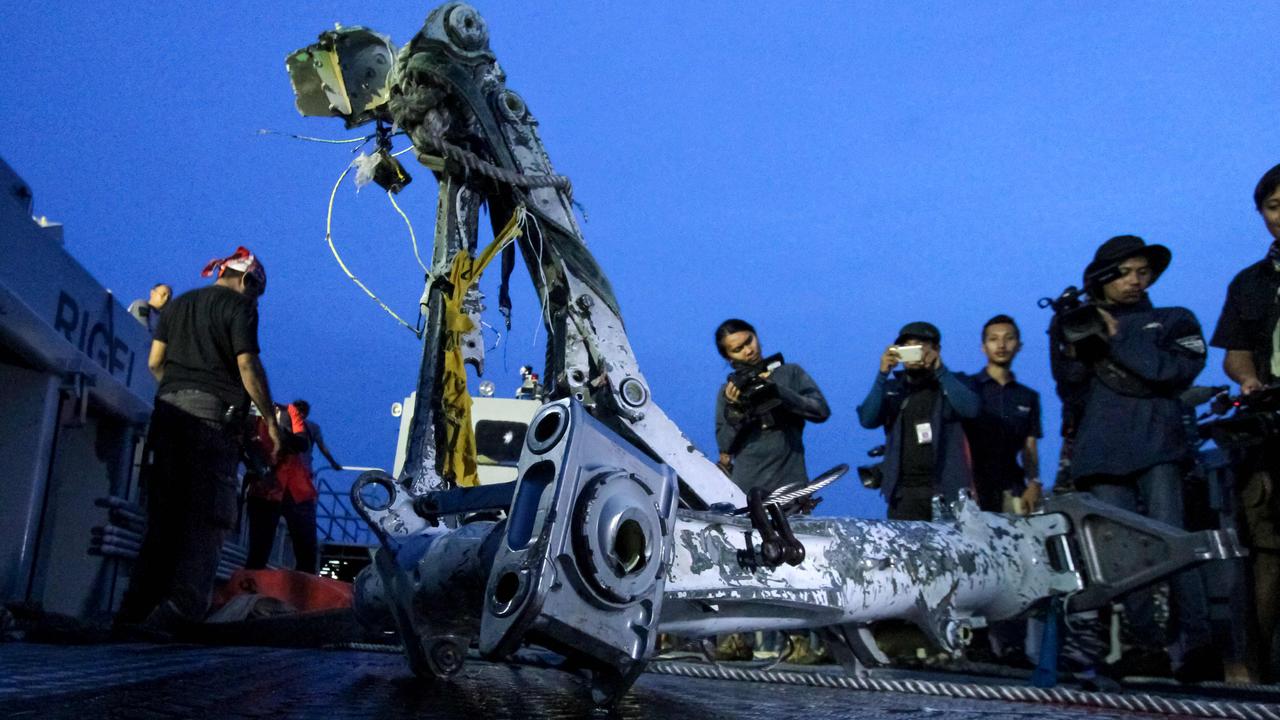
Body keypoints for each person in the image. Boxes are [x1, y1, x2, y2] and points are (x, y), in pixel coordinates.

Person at [1049, 234, 1218, 681]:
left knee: (1176, 545)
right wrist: (1070, 332)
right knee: (1125, 558)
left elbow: (1174, 371)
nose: (1134, 281)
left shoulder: (1173, 319)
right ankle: (1148, 648)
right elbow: (1070, 388)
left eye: (1143, 272)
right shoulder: (1079, 322)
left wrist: (1115, 336)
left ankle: (1198, 647)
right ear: (1101, 278)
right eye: (1123, 272)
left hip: (1160, 447)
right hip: (1102, 453)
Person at [115, 247, 279, 633]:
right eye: (256, 291)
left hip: (168, 414)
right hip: (212, 421)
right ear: (247, 280)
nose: (255, 299)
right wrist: (269, 419)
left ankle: (134, 614)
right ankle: (181, 614)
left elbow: (156, 362)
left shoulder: (180, 305)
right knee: (206, 518)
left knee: (163, 517)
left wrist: (179, 393)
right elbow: (246, 364)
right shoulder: (240, 308)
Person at [1210, 162, 1280, 681]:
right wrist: (1250, 380)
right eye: (1275, 206)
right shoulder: (1249, 282)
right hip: (1271, 429)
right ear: (1261, 215)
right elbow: (1235, 354)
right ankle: (1256, 672)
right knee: (1267, 552)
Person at [857, 321, 980, 521]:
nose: (914, 354)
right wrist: (882, 374)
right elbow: (867, 419)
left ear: (937, 349)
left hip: (948, 492)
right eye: (907, 347)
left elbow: (971, 408)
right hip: (904, 495)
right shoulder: (893, 389)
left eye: (920, 347)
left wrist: (940, 369)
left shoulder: (954, 382)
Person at [714, 319, 830, 495]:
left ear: (756, 336)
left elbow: (820, 411)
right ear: (728, 357)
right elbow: (724, 444)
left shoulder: (790, 372)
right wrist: (735, 410)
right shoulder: (729, 392)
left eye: (749, 341)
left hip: (790, 481)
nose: (748, 350)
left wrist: (777, 391)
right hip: (747, 487)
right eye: (738, 349)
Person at [962, 315, 1042, 514]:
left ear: (1019, 345)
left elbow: (1029, 445)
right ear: (983, 346)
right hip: (973, 487)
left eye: (1008, 338)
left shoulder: (1027, 396)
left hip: (1012, 486)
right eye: (993, 339)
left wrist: (1034, 482)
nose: (1001, 345)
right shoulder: (968, 389)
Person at [245, 403, 320, 574]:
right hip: (265, 489)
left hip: (296, 491)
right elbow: (246, 442)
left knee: (307, 553)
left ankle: (303, 595)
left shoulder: (290, 411)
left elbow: (301, 443)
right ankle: (250, 589)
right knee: (258, 552)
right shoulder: (249, 413)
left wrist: (282, 435)